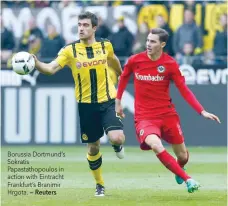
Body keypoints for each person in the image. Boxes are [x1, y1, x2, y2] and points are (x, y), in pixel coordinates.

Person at [115, 28, 221, 193]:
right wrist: (118, 101)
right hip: (145, 117)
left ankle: (179, 169)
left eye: (153, 41)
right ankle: (188, 180)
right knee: (156, 145)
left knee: (183, 156)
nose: (148, 44)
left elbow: (184, 89)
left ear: (162, 44)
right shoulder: (135, 60)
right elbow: (123, 77)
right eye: (148, 40)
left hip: (167, 115)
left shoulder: (170, 64)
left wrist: (202, 111)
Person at [31, 11, 125, 197]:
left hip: (107, 100)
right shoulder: (69, 50)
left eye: (85, 25)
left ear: (94, 28)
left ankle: (116, 145)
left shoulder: (105, 45)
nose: (81, 28)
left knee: (117, 137)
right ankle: (99, 184)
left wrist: (122, 76)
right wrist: (36, 63)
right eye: (79, 25)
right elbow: (50, 69)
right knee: (93, 147)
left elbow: (113, 60)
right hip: (86, 105)